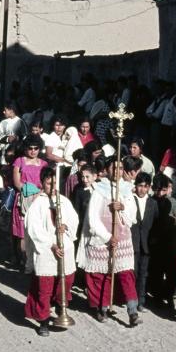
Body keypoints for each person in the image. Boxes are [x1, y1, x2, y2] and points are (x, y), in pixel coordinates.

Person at [78, 156, 141, 326]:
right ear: (107, 170)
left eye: (120, 168)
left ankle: (132, 311)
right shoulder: (99, 190)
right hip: (102, 239)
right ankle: (102, 307)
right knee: (102, 275)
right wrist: (107, 237)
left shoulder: (127, 190)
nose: (117, 171)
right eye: (114, 168)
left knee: (126, 274)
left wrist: (122, 208)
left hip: (122, 238)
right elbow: (92, 218)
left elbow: (132, 218)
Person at [24, 166, 79, 337]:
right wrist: (51, 245)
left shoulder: (64, 201)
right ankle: (43, 320)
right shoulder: (38, 204)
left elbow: (74, 219)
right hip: (46, 250)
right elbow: (33, 229)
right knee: (45, 287)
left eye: (55, 183)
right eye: (49, 183)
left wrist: (66, 226)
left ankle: (60, 305)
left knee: (66, 280)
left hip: (65, 247)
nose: (52, 187)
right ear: (42, 184)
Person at [10, 134, 48, 268]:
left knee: (37, 230)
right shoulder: (19, 161)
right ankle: (22, 260)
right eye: (30, 148)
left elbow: (47, 183)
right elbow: (17, 183)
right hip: (23, 199)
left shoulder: (44, 164)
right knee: (22, 232)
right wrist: (32, 191)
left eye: (36, 148)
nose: (33, 151)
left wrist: (40, 194)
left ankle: (35, 260)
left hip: (39, 200)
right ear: (25, 148)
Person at [148, 173, 176, 308]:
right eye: (158, 190)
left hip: (170, 240)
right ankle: (158, 296)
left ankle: (169, 294)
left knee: (172, 272)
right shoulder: (150, 201)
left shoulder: (172, 202)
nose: (160, 193)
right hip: (155, 241)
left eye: (164, 190)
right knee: (156, 271)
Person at [130, 172, 158, 313]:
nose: (142, 189)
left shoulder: (153, 203)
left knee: (143, 273)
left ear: (149, 187)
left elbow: (156, 223)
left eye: (145, 186)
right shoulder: (130, 200)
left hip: (146, 244)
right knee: (132, 272)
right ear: (135, 186)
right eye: (140, 186)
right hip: (132, 242)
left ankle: (141, 301)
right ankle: (131, 299)